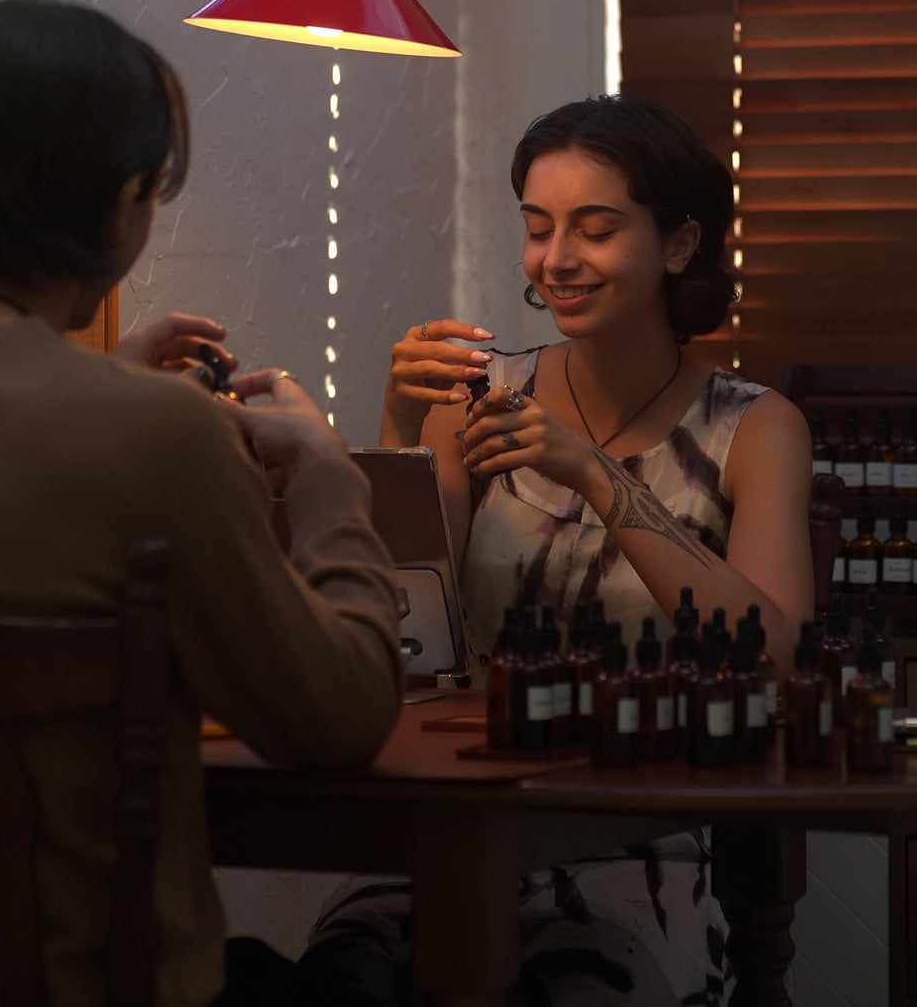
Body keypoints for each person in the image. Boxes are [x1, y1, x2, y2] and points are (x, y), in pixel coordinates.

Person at [0, 0, 403, 1007]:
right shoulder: (158, 436)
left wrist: (96, 379)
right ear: (124, 199)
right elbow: (339, 714)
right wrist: (335, 489)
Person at [303, 94, 813, 1006]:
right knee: (344, 978)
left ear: (680, 245)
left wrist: (598, 476)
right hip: (458, 819)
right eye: (539, 228)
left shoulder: (755, 427)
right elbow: (398, 637)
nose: (558, 258)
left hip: (638, 836)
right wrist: (400, 427)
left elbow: (769, 657)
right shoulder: (481, 398)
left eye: (595, 228)